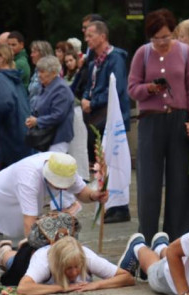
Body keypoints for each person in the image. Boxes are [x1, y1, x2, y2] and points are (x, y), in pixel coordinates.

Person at [128, 8, 189, 242]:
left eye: (166, 36)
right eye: (157, 38)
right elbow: (132, 88)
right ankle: (147, 237)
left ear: (173, 33)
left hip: (178, 119)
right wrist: (149, 88)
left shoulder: (185, 52)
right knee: (148, 182)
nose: (161, 42)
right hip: (151, 119)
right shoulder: (143, 53)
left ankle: (178, 237)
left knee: (179, 181)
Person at [0, 152, 106, 241]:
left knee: (17, 246)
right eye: (60, 184)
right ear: (48, 176)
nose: (65, 188)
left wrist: (94, 196)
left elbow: (82, 192)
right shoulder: (28, 178)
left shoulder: (65, 166)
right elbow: (30, 224)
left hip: (20, 213)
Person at [75, 20, 130, 192]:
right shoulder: (93, 62)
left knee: (111, 159)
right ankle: (103, 193)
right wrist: (85, 99)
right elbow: (87, 86)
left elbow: (116, 87)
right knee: (100, 158)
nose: (87, 40)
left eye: (90, 35)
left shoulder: (115, 58)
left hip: (110, 117)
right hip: (95, 116)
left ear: (103, 36)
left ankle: (116, 199)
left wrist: (93, 102)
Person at [14, 235, 134, 295]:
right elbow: (23, 288)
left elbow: (127, 277)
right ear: (58, 265)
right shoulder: (43, 262)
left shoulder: (87, 256)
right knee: (11, 262)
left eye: (77, 266)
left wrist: (96, 285)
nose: (74, 272)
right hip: (28, 259)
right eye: (68, 268)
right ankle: (6, 250)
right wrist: (63, 288)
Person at [0, 44, 31, 170]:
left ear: (3, 58)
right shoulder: (15, 77)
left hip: (8, 135)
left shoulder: (0, 79)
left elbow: (2, 104)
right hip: (22, 132)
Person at [27, 56, 75, 153]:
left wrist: (37, 121)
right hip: (46, 137)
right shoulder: (44, 85)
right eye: (38, 71)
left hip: (58, 139)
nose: (39, 75)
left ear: (53, 73)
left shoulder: (61, 89)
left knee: (52, 167)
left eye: (43, 72)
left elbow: (58, 115)